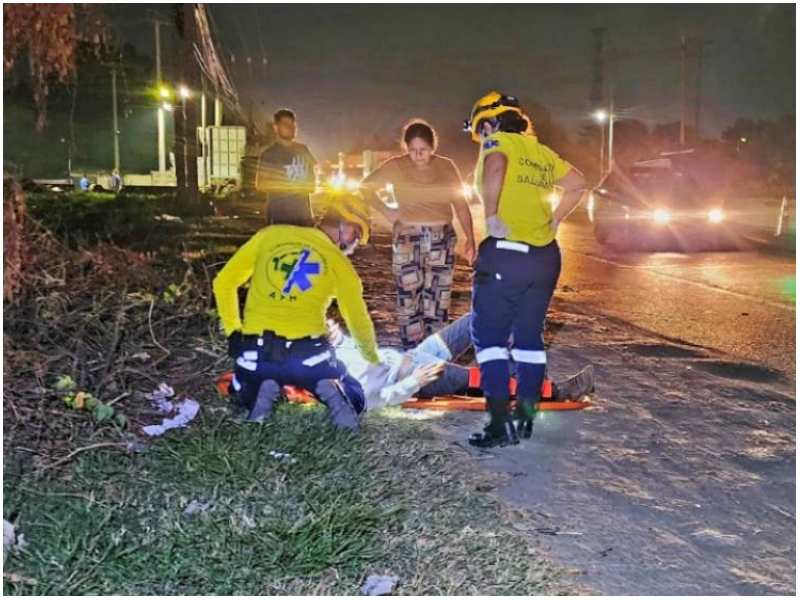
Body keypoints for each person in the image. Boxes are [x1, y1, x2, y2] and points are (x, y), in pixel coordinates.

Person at [464, 91, 588, 448]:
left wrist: (490, 216)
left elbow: (495, 165)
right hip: (545, 257)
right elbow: (578, 183)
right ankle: (526, 417)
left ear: (490, 123)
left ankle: (499, 424)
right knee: (529, 338)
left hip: (507, 252)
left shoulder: (497, 142)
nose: (482, 137)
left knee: (488, 337)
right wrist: (555, 219)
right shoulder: (541, 152)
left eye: (481, 129)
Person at [212, 189, 382, 431]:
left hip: (257, 350)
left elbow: (223, 283)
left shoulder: (267, 237)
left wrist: (233, 332)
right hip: (309, 353)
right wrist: (371, 358)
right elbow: (356, 317)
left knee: (241, 390)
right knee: (355, 395)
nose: (354, 245)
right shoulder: (338, 261)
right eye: (355, 235)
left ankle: (262, 385)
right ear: (344, 225)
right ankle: (328, 382)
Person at [361, 119, 477, 350]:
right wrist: (386, 210)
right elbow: (366, 186)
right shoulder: (396, 166)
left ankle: (434, 351)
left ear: (432, 147)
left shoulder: (446, 166)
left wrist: (470, 238)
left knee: (438, 297)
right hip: (407, 238)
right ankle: (412, 349)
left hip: (440, 239)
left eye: (423, 150)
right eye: (413, 150)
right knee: (408, 296)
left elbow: (460, 204)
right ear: (406, 148)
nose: (418, 155)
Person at [328, 313, 595, 410]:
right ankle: (549, 391)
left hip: (413, 356)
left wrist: (338, 339)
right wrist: (413, 382)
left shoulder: (333, 346)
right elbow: (374, 400)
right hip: (417, 374)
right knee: (480, 380)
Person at [256, 108, 317, 226]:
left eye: (293, 125)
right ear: (276, 127)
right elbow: (261, 184)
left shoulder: (303, 150)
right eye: (286, 124)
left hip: (303, 216)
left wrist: (308, 184)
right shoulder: (269, 154)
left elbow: (312, 181)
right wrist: (287, 186)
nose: (291, 128)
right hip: (279, 216)